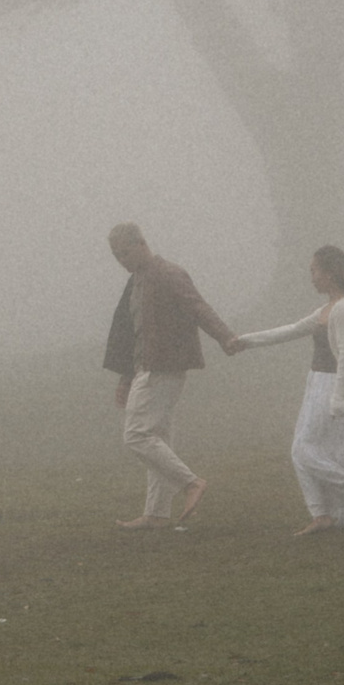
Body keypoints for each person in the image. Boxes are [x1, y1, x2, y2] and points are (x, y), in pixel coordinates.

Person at [228, 244, 344, 535]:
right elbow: (291, 330)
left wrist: (338, 400)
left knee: (302, 450)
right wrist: (246, 341)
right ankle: (322, 514)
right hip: (316, 384)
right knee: (303, 450)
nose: (312, 278)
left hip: (330, 387)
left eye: (314, 271)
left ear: (330, 273)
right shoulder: (327, 309)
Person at [102, 222, 240, 529]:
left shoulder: (168, 273)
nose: (121, 260)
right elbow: (131, 333)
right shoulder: (137, 281)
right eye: (116, 256)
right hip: (145, 368)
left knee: (137, 435)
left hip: (162, 368)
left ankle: (191, 483)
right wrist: (125, 378)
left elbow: (198, 307)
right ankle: (156, 513)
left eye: (124, 253)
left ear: (141, 244)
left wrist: (225, 337)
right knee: (158, 438)